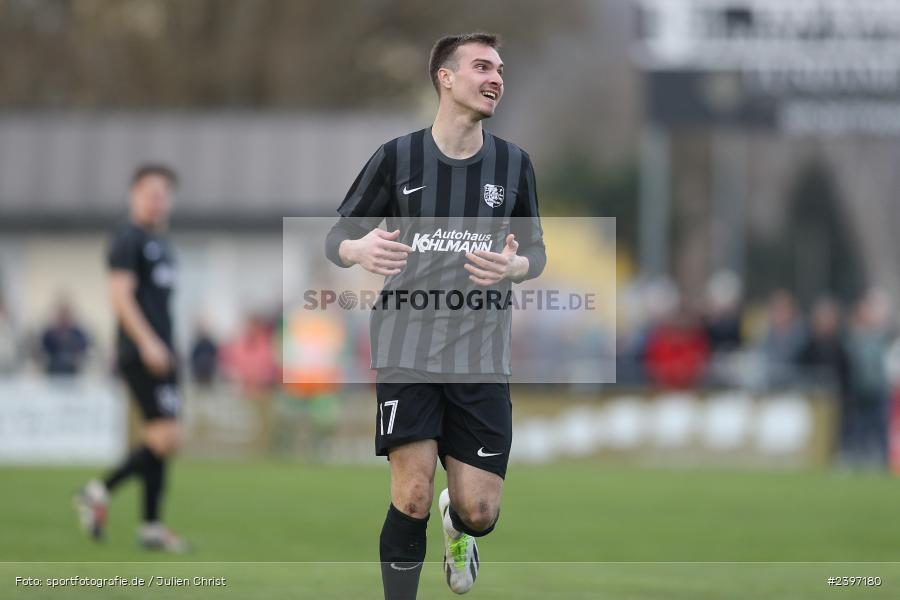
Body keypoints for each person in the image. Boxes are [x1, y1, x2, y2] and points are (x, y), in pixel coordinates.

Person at [325, 33, 545, 599]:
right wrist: (360, 250)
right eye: (482, 66)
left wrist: (513, 266)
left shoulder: (514, 164)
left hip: (482, 353)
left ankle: (461, 530)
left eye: (500, 68)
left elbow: (536, 254)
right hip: (407, 345)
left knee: (480, 509)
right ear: (445, 78)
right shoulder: (397, 158)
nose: (496, 77)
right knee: (412, 493)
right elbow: (338, 237)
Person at [74, 164, 187, 552]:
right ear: (134, 195)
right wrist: (149, 342)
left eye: (163, 194)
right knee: (165, 435)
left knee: (163, 439)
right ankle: (97, 491)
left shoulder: (162, 244)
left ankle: (151, 526)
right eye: (150, 193)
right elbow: (120, 297)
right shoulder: (127, 239)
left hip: (163, 351)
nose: (157, 201)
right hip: (141, 351)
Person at [39, 299, 90, 375]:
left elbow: (84, 350)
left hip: (73, 372)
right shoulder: (49, 334)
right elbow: (42, 352)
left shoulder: (77, 334)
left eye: (66, 315)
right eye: (61, 315)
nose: (63, 319)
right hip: (52, 373)